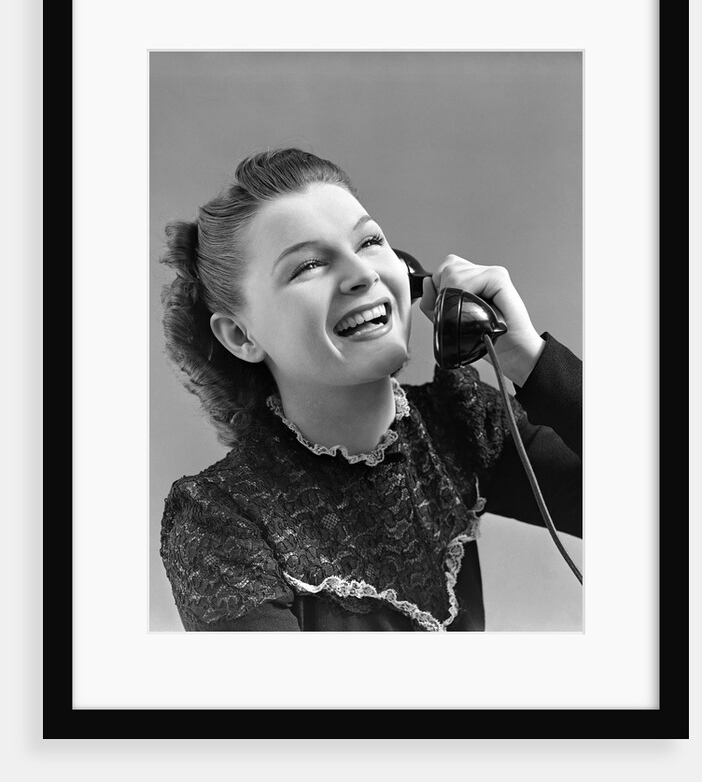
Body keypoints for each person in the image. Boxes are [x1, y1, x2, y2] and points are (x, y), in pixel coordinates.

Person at [159, 147, 581, 632]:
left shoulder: (463, 422)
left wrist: (531, 360)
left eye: (369, 242)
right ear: (240, 335)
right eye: (308, 266)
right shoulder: (219, 518)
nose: (362, 274)